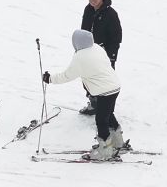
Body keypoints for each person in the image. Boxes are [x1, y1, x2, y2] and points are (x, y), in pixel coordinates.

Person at [43, 29, 124, 161]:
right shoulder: (97, 47)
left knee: (101, 120)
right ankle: (117, 141)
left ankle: (106, 149)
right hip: (115, 86)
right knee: (108, 114)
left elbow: (67, 76)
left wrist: (50, 79)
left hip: (104, 91)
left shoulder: (80, 57)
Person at [78, 0, 122, 115]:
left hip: (104, 55)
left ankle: (107, 112)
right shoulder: (88, 9)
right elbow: (84, 30)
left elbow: (116, 37)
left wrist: (111, 56)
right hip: (88, 52)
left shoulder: (111, 14)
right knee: (87, 79)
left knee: (105, 83)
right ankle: (93, 104)